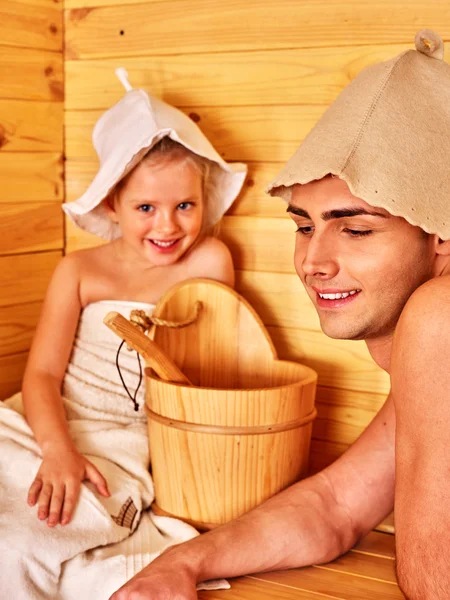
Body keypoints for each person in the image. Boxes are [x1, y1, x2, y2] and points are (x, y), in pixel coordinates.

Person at [110, 29, 450, 600]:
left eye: (357, 229)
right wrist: (181, 564)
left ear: (440, 237)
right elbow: (336, 506)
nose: (314, 262)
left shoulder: (439, 316)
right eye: (304, 226)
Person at [0, 69, 246, 599]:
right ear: (112, 203)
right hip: (39, 423)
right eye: (145, 208)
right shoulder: (79, 271)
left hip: (123, 443)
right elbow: (41, 374)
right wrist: (58, 449)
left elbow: (206, 363)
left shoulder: (208, 260)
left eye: (185, 205)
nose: (168, 226)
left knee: (24, 539)